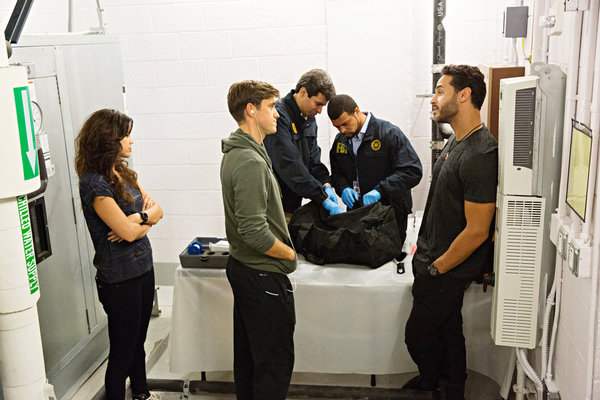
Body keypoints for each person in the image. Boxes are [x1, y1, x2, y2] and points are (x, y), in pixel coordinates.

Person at [404, 65, 498, 400]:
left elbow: (477, 230)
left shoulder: (481, 153)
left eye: (440, 91)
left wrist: (438, 267)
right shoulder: (456, 141)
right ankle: (443, 385)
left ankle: (439, 381)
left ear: (464, 95)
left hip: (448, 266)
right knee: (447, 330)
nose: (433, 99)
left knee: (418, 335)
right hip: (434, 258)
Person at [75, 109, 164, 400]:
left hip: (143, 267)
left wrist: (140, 219)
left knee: (138, 341)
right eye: (125, 135)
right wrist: (144, 219)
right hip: (119, 278)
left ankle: (141, 394)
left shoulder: (123, 172)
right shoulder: (94, 183)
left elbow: (157, 211)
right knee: (123, 351)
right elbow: (126, 232)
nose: (131, 141)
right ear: (107, 140)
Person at [220, 80, 298, 400]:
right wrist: (288, 254)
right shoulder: (249, 161)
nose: (278, 114)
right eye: (271, 107)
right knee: (273, 364)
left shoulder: (244, 152)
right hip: (262, 272)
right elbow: (253, 230)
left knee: (252, 360)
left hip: (248, 269)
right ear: (251, 110)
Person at [327, 94, 422, 248]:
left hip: (390, 214)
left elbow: (412, 171)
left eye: (345, 124)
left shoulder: (389, 134)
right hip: (359, 213)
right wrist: (343, 188)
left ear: (357, 111)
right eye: (337, 127)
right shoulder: (341, 141)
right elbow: (337, 175)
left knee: (388, 260)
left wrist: (380, 190)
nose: (342, 130)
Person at [263, 68, 344, 221]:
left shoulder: (309, 119)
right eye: (318, 104)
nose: (320, 111)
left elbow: (313, 161)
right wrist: (322, 198)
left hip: (293, 206)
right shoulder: (279, 117)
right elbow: (290, 165)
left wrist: (326, 185)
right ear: (303, 92)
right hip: (275, 209)